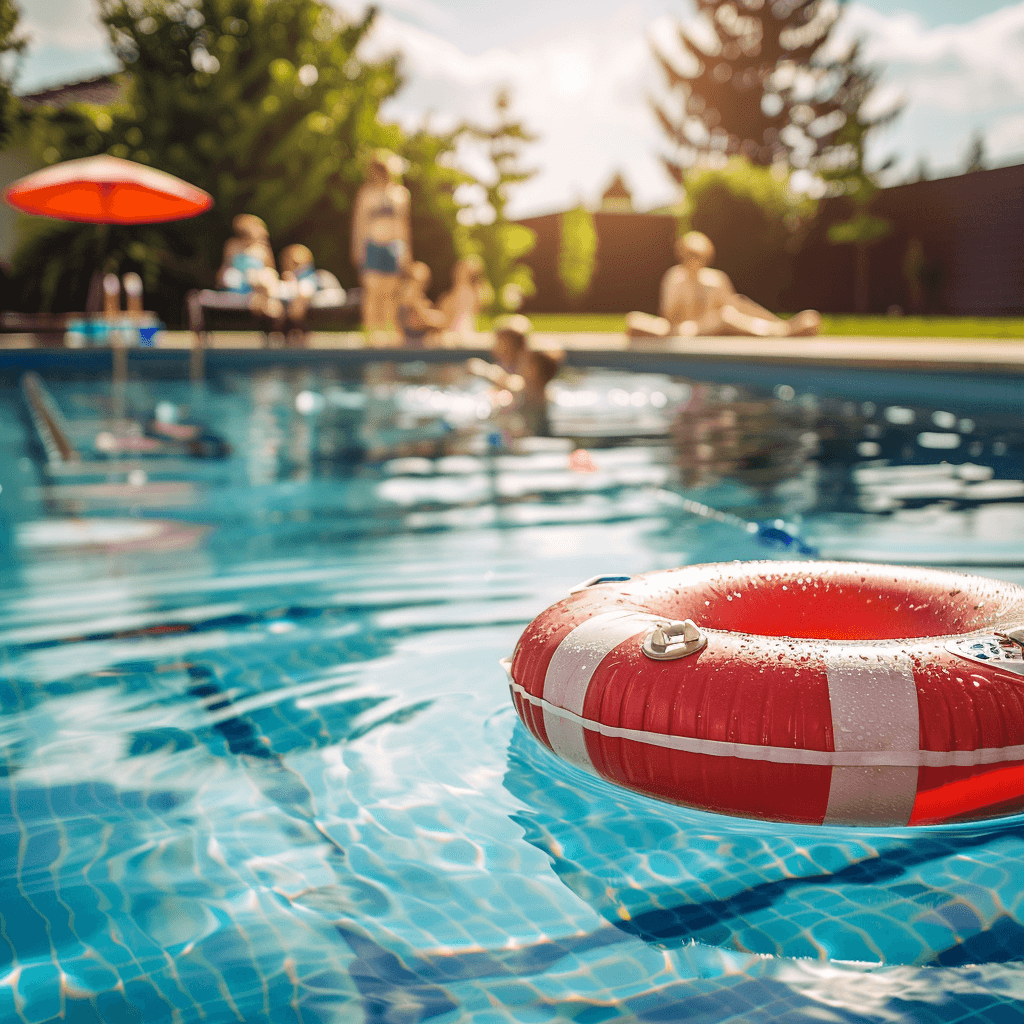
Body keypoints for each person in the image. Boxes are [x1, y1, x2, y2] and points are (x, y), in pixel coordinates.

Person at [625, 231, 821, 340]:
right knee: (634, 321)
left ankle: (779, 328)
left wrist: (776, 321)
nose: (694, 261)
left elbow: (738, 305)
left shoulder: (715, 279)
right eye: (690, 256)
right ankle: (782, 331)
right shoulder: (675, 277)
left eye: (698, 256)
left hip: (711, 326)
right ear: (682, 255)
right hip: (683, 330)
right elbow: (668, 316)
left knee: (727, 316)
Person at [350, 150, 411, 343]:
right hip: (372, 246)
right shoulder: (366, 194)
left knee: (391, 292)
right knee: (373, 291)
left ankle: (388, 333)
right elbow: (359, 224)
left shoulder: (400, 194)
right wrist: (357, 249)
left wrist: (406, 251)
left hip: (393, 248)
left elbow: (404, 225)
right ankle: (371, 332)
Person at [217, 214, 284, 321]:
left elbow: (271, 271)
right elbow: (225, 268)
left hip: (260, 287)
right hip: (240, 285)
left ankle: (272, 310)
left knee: (265, 277)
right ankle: (276, 314)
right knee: (260, 286)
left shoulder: (262, 249)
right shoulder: (232, 245)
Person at [438, 254, 491, 340]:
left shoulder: (466, 292)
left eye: (460, 270)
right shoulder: (476, 292)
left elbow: (447, 313)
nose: (455, 272)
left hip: (460, 334)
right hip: (461, 333)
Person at [397, 262, 446, 347]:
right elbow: (421, 319)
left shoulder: (420, 298)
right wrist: (439, 318)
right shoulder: (407, 297)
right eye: (419, 281)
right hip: (410, 345)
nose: (423, 285)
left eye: (425, 281)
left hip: (419, 344)